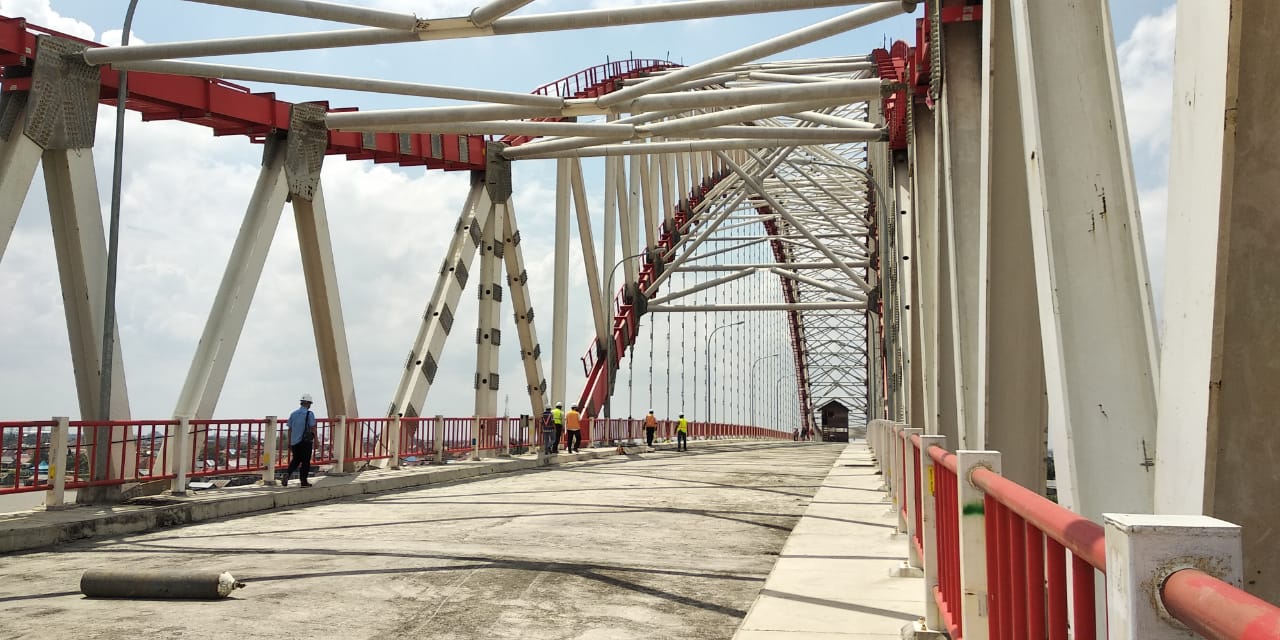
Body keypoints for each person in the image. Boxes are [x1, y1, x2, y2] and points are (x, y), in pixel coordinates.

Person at [282, 393, 317, 487]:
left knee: (296, 460)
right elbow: (313, 427)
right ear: (308, 403)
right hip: (305, 442)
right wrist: (316, 441)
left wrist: (289, 442)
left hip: (294, 442)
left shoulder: (293, 414)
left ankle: (287, 474)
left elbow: (290, 429)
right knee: (305, 462)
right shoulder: (309, 414)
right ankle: (303, 481)